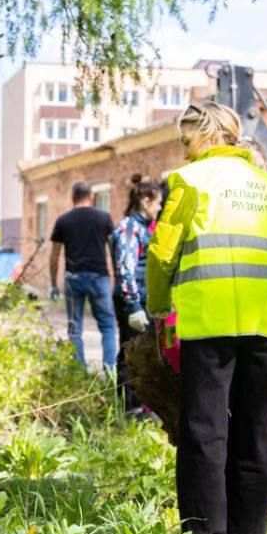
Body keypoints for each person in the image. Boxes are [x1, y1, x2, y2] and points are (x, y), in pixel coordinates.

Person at [146, 101, 267, 534]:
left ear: (206, 136)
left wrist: (156, 306)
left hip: (210, 319)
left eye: (186, 141)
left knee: (205, 432)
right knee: (259, 428)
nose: (184, 151)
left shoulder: (189, 182)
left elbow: (162, 253)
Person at [49, 181, 118, 372]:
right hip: (99, 278)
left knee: (74, 328)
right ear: (91, 197)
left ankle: (80, 373)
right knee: (107, 326)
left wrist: (53, 284)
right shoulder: (103, 218)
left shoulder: (63, 221)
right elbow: (114, 250)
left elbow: (54, 255)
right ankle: (110, 371)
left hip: (73, 279)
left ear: (73, 197)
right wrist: (118, 277)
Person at [111, 174, 163, 418]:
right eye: (158, 202)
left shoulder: (141, 228)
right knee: (131, 355)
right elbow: (125, 268)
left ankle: (140, 406)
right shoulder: (130, 229)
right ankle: (128, 408)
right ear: (145, 200)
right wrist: (133, 305)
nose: (160, 207)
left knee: (143, 355)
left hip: (142, 300)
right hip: (132, 302)